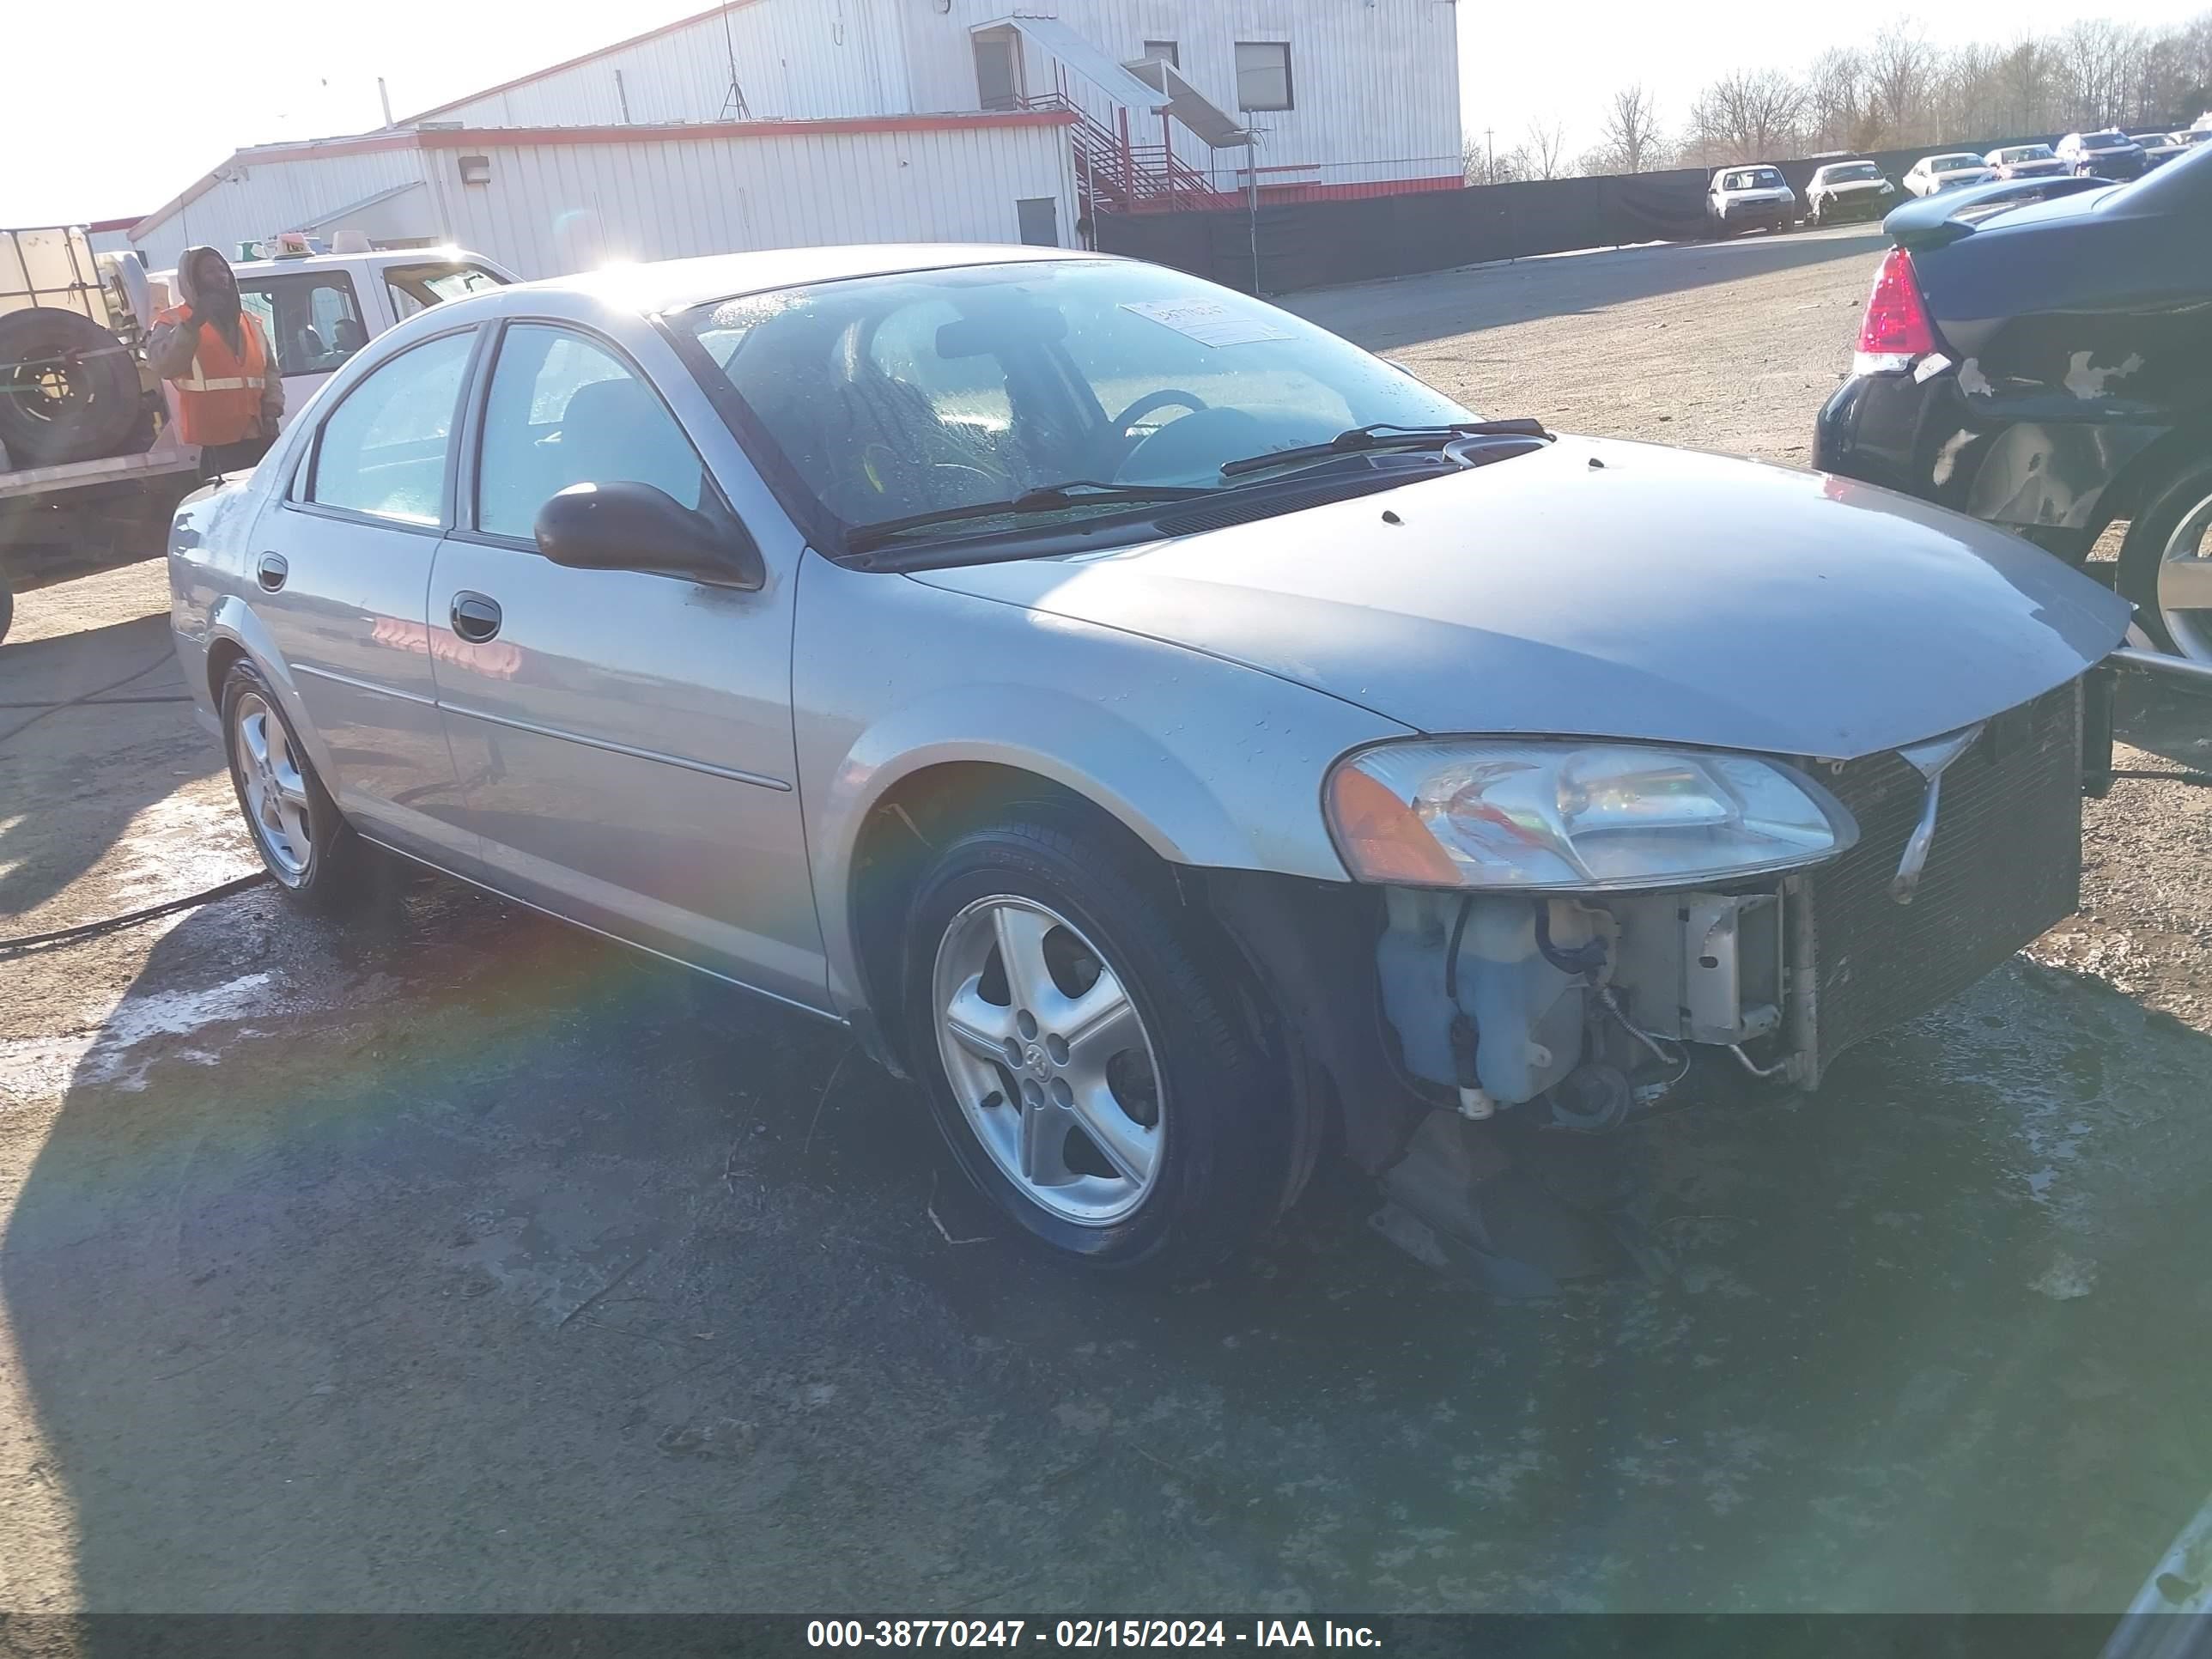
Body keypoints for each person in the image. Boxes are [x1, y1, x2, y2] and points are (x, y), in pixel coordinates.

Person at [145, 246, 283, 477]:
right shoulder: (173, 321)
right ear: (193, 280)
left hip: (260, 435)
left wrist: (272, 408)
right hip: (215, 444)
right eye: (210, 271)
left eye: (223, 270)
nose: (221, 276)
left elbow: (269, 372)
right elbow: (163, 365)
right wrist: (194, 323)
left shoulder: (249, 321)